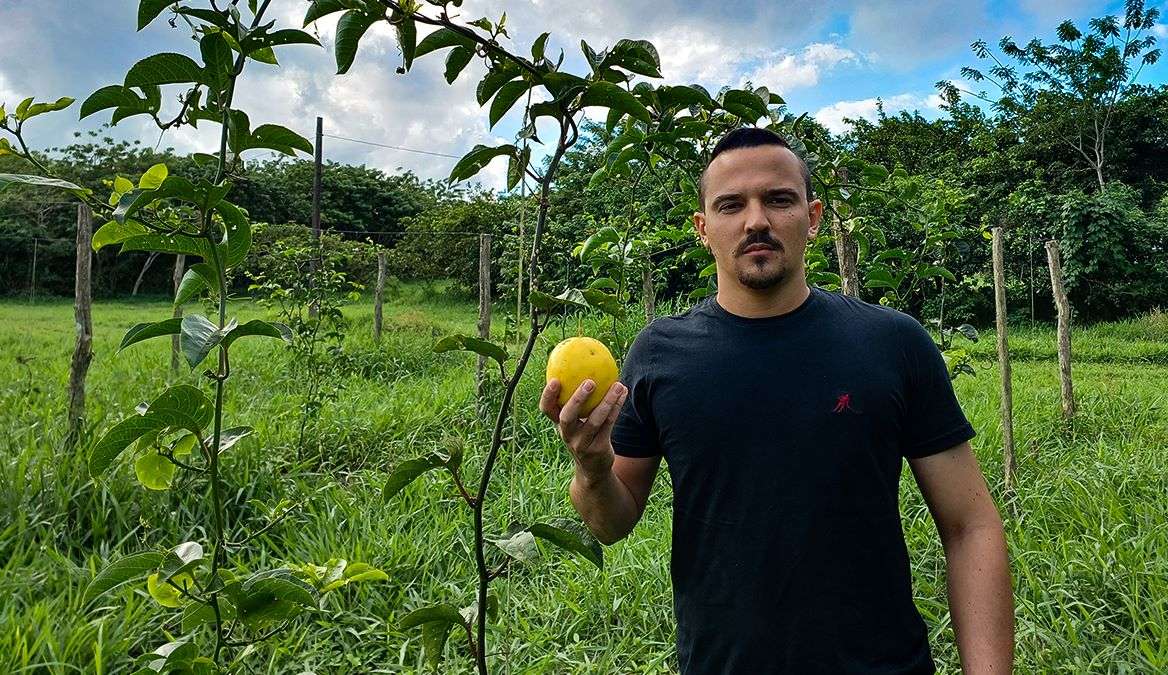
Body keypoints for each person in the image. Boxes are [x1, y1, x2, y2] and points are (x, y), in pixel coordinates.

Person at [538, 127, 1014, 674]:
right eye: (731, 205)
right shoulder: (660, 353)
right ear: (703, 228)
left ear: (812, 218)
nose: (756, 221)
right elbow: (610, 523)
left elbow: (970, 526)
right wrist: (592, 468)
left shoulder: (892, 342)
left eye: (779, 199)